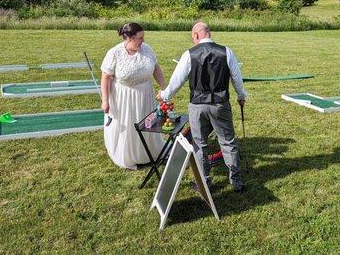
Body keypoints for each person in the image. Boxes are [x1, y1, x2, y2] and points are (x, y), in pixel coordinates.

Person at [157, 21, 247, 192]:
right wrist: (241, 96)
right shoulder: (226, 52)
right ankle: (236, 181)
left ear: (196, 35)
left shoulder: (189, 54)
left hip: (197, 105)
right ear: (209, 33)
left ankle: (204, 183)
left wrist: (165, 95)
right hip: (220, 104)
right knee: (228, 142)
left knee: (199, 144)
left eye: (193, 37)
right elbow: (236, 78)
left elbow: (177, 81)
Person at [101, 22, 166, 170]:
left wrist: (164, 88)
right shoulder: (114, 53)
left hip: (145, 94)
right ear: (129, 38)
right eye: (140, 38)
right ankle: (130, 155)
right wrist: (105, 101)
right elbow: (105, 77)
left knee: (147, 124)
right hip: (124, 97)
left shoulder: (147, 49)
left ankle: (148, 151)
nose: (143, 41)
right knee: (129, 125)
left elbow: (156, 68)